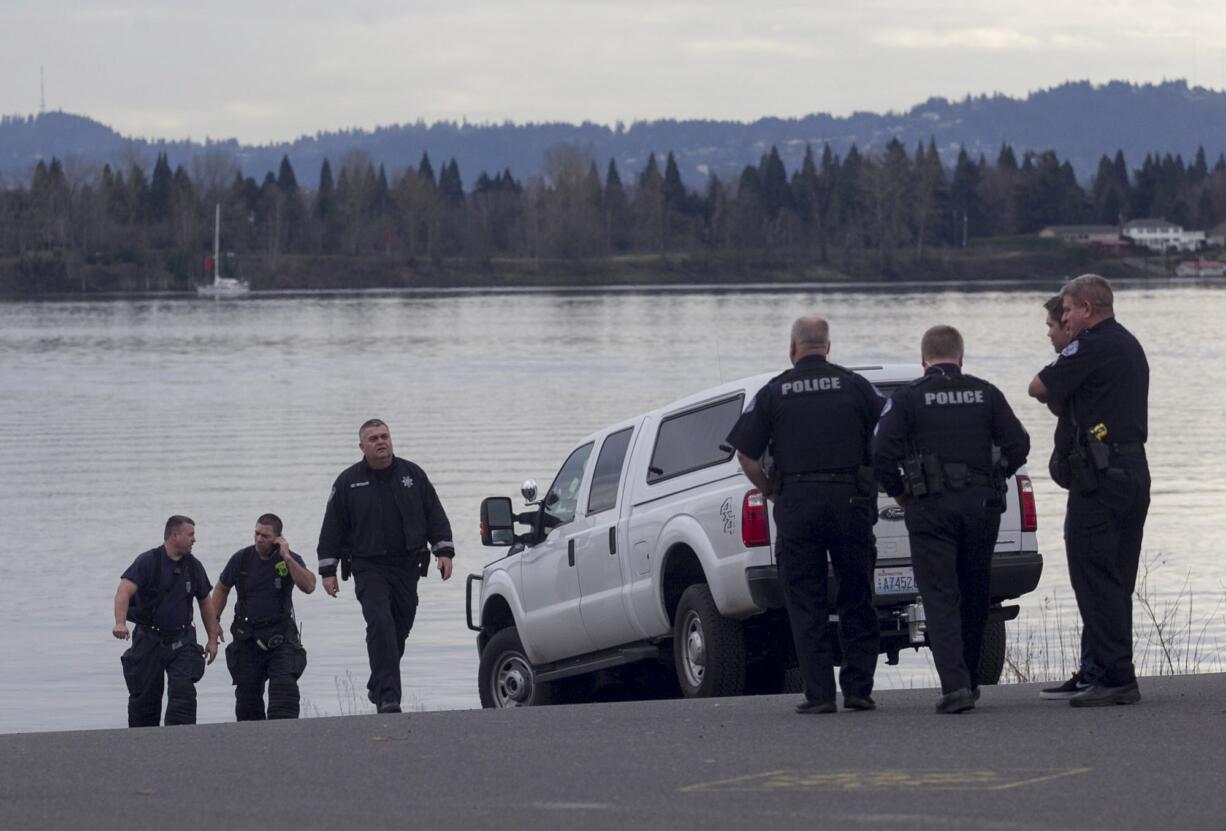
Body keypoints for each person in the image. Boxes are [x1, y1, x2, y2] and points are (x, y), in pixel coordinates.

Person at [726, 316, 883, 715]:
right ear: (828, 347)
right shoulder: (855, 385)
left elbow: (744, 454)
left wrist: (771, 490)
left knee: (806, 600)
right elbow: (889, 436)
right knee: (857, 594)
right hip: (850, 501)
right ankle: (859, 689)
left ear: (792, 348)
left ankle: (820, 694)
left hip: (796, 503)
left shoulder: (775, 392)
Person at [872, 325, 1029, 714]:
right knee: (975, 592)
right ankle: (971, 679)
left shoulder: (909, 398)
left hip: (930, 508)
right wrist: (994, 476)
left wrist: (901, 492)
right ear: (961, 357)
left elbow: (881, 451)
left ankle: (956, 685)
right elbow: (1019, 444)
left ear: (923, 360)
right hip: (981, 507)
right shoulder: (986, 392)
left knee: (940, 594)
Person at [1028, 274, 1150, 707]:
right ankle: (1098, 668)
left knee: (1095, 578)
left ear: (1085, 308)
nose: (1061, 319)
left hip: (1101, 479)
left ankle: (1116, 677)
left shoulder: (1092, 344)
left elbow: (1039, 387)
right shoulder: (1127, 344)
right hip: (1131, 471)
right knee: (1113, 577)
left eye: (1065, 311)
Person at [317, 419, 455, 714]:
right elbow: (332, 529)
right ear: (362, 447)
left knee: (398, 629)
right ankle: (388, 698)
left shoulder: (412, 475)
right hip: (369, 567)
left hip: (407, 565)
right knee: (380, 622)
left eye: (384, 436)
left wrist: (443, 550)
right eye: (373, 439)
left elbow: (435, 515)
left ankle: (377, 681)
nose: (381, 442)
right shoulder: (348, 482)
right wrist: (328, 571)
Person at [112, 516, 222, 727]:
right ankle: (145, 747)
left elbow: (205, 603)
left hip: (182, 640)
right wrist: (120, 623)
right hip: (149, 639)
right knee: (144, 702)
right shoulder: (148, 561)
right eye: (190, 535)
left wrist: (212, 638)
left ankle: (180, 744)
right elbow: (123, 591)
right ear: (174, 536)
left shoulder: (194, 566)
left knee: (183, 695)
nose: (194, 540)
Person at [209, 514, 316, 721]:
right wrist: (214, 623)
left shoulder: (290, 558)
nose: (259, 539)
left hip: (281, 636)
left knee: (284, 698)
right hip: (247, 637)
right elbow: (222, 588)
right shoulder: (241, 559)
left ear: (278, 538)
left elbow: (309, 586)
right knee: (247, 705)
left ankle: (283, 746)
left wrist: (286, 556)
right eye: (257, 533)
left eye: (265, 536)